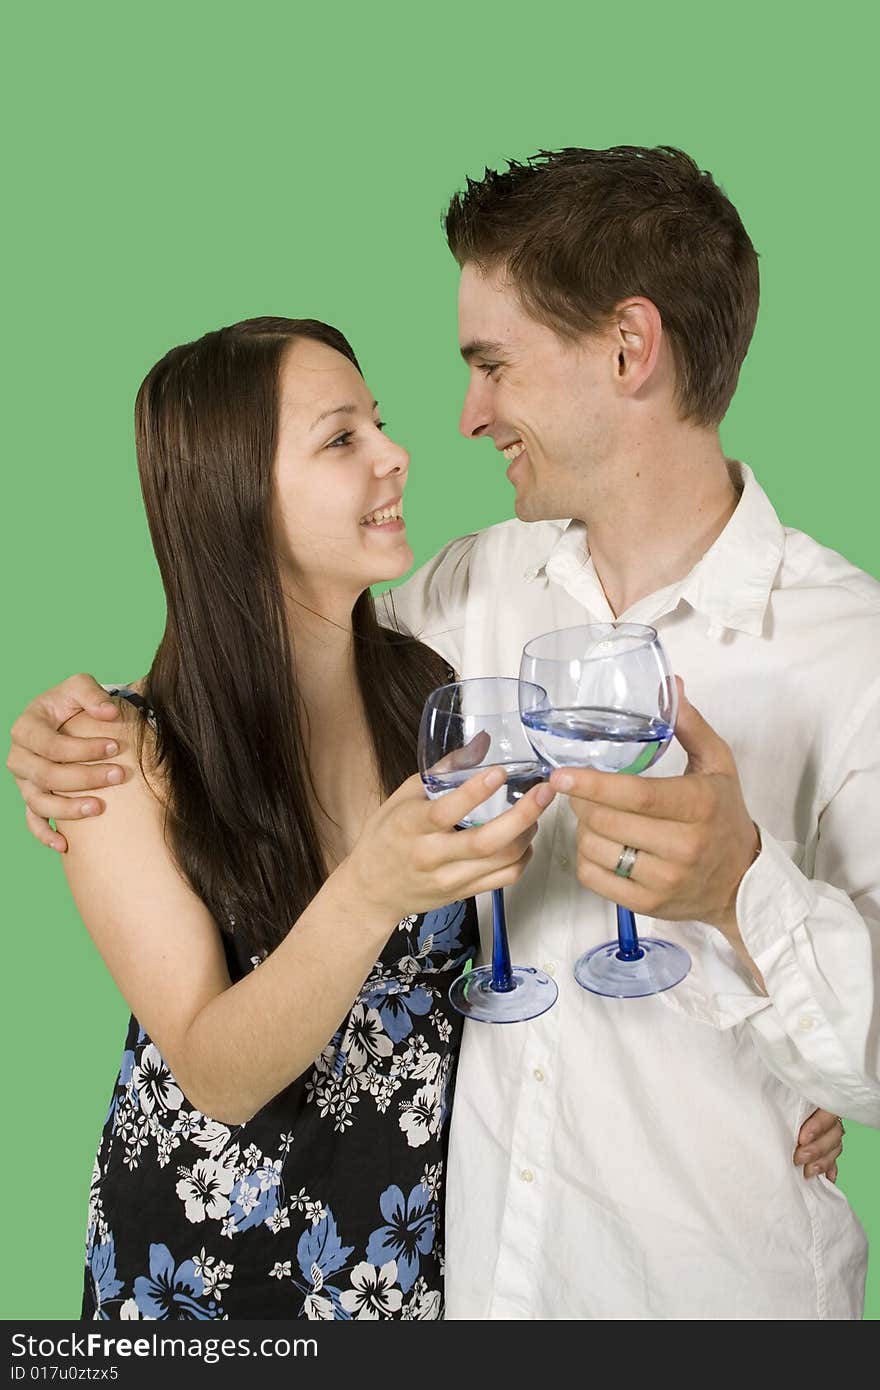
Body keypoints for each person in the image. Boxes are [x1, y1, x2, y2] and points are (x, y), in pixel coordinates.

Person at [8, 148, 870, 1318]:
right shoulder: (463, 608)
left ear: (628, 349)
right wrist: (72, 725)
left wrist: (745, 897)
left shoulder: (847, 648)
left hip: (706, 1288)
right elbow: (262, 644)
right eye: (345, 434)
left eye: (492, 364)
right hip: (436, 1286)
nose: (457, 420)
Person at [7, 316, 553, 1319]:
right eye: (342, 438)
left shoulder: (428, 695)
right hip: (202, 1285)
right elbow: (217, 1071)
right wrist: (374, 885)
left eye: (377, 423)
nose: (396, 454)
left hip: (400, 1267)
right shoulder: (121, 757)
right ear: (237, 497)